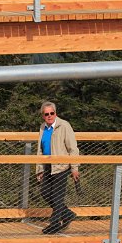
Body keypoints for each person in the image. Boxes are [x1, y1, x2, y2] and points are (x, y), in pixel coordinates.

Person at [35, 101, 80, 235]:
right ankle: (68, 214)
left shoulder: (64, 126)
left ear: (56, 113)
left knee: (57, 196)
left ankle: (54, 224)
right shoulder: (43, 127)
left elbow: (73, 148)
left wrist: (74, 168)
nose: (49, 116)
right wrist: (39, 169)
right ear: (43, 116)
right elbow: (40, 150)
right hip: (48, 165)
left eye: (52, 113)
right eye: (46, 114)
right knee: (44, 192)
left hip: (61, 166)